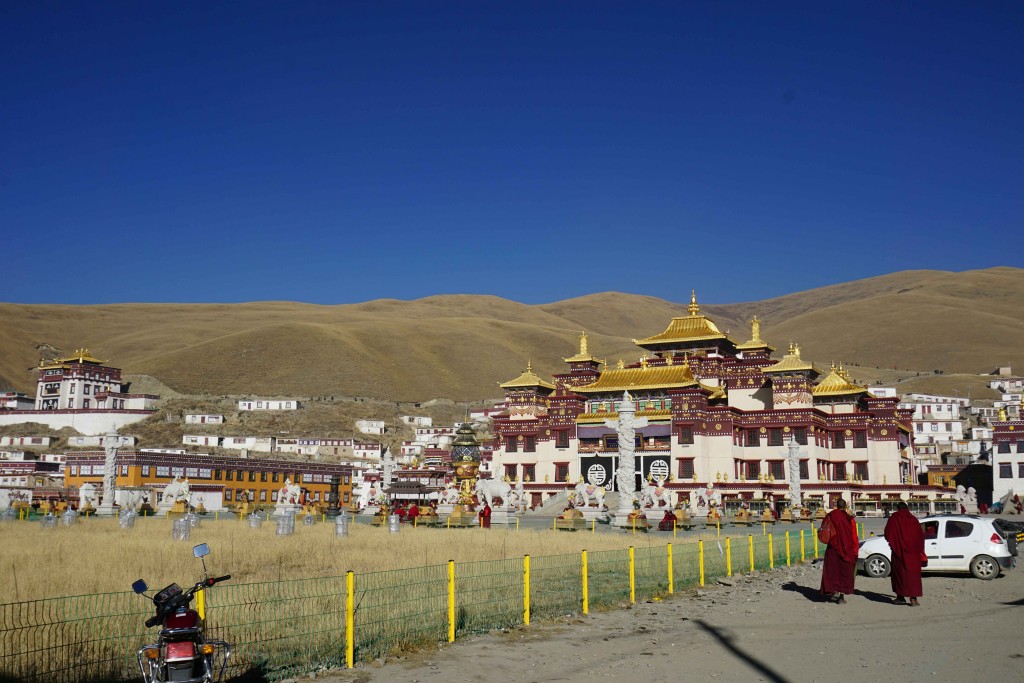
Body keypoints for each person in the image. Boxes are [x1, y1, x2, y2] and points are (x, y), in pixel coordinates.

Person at [884, 501, 925, 606]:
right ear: (907, 509)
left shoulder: (894, 519)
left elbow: (888, 533)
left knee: (900, 575)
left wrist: (895, 544)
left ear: (898, 509)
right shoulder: (913, 520)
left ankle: (900, 597)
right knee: (913, 576)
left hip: (899, 553)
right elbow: (920, 536)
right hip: (913, 554)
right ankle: (913, 599)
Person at [820, 498, 857, 604]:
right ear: (845, 507)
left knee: (833, 571)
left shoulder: (830, 516)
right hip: (846, 549)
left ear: (836, 506)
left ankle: (833, 592)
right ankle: (841, 596)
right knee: (844, 572)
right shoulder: (850, 519)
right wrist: (855, 550)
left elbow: (824, 528)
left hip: (832, 548)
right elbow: (853, 536)